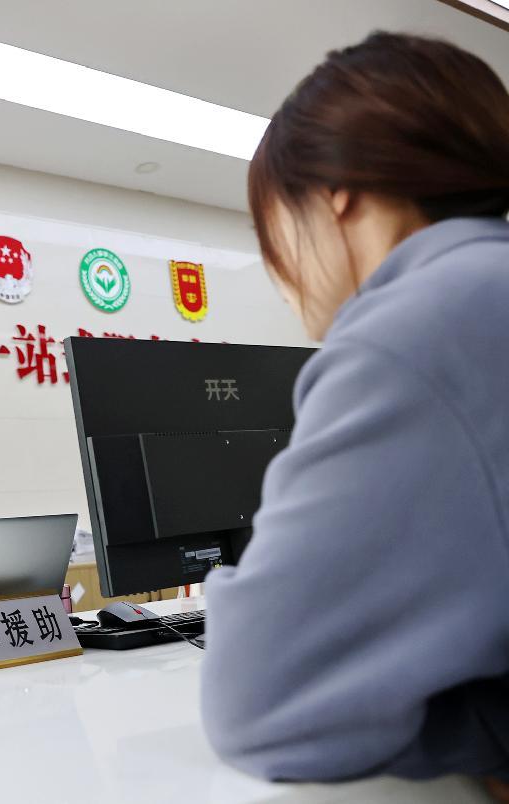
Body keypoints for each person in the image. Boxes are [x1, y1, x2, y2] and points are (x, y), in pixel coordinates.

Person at [201, 32, 509, 784]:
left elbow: (260, 707)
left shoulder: (416, 329)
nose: (277, 271)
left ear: (338, 194)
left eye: (270, 227)